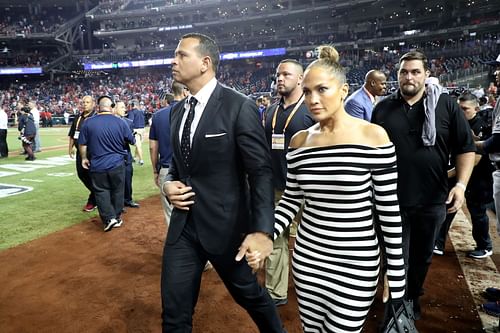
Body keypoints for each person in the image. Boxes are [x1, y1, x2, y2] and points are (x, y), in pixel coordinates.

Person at [248, 45, 405, 332]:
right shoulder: (299, 141)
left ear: (344, 90)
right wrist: (264, 233)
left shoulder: (373, 137)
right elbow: (291, 200)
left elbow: (388, 211)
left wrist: (396, 271)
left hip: (356, 265)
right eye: (307, 91)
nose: (312, 99)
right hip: (308, 262)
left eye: (322, 89)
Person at [161, 32, 285, 332]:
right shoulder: (177, 111)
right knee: (174, 314)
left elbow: (260, 172)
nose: (173, 61)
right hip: (182, 230)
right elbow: (178, 166)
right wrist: (168, 185)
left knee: (251, 296)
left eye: (181, 55)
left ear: (205, 63)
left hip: (227, 228)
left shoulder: (238, 106)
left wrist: (263, 231)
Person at [371, 51, 476, 319]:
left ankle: (412, 297)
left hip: (432, 199)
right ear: (397, 76)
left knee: (422, 257)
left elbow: (466, 148)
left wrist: (461, 185)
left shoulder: (446, 105)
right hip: (390, 199)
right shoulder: (382, 108)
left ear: (426, 75)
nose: (409, 77)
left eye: (416, 72)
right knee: (395, 257)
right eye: (404, 72)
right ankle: (396, 306)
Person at [263, 59, 315, 307]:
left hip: (306, 191)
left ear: (300, 79)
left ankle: (316, 289)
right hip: (276, 188)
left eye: (286, 74)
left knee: (313, 241)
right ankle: (275, 292)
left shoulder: (311, 109)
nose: (280, 79)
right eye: (277, 74)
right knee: (275, 239)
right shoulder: (271, 111)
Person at [434, 92, 494, 258]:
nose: (460, 113)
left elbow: (474, 158)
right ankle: (438, 242)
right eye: (458, 109)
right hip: (459, 173)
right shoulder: (458, 124)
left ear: (476, 108)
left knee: (478, 212)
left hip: (478, 176)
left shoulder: (481, 126)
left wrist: (447, 175)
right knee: (448, 206)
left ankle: (485, 245)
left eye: (464, 109)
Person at [79, 95, 135, 232]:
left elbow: (82, 143)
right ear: (112, 107)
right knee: (117, 190)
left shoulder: (88, 122)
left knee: (101, 191)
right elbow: (131, 140)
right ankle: (115, 216)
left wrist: (84, 158)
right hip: (117, 163)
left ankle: (109, 218)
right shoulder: (121, 122)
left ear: (98, 107)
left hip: (97, 164)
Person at [150, 81, 188, 226]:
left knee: (170, 212)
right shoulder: (194, 110)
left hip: (167, 169)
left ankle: (176, 245)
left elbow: (153, 147)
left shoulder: (158, 116)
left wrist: (155, 170)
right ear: (185, 91)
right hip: (192, 169)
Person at [68, 95, 97, 212]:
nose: (85, 104)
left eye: (88, 102)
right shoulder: (78, 117)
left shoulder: (96, 117)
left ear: (93, 104)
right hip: (80, 152)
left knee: (93, 176)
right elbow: (72, 133)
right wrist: (70, 148)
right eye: (84, 102)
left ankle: (93, 200)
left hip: (92, 151)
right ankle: (98, 194)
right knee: (81, 174)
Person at [114, 101, 140, 209]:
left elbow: (132, 140)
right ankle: (118, 203)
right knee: (117, 181)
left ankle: (128, 199)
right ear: (114, 109)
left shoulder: (128, 122)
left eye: (124, 107)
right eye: (122, 107)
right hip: (115, 155)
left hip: (126, 154)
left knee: (128, 177)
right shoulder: (111, 122)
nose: (125, 109)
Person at [127, 100, 145, 165]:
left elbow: (130, 121)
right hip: (143, 129)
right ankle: (135, 158)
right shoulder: (141, 111)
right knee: (139, 145)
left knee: (138, 145)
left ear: (132, 105)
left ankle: (141, 160)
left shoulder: (131, 112)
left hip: (136, 130)